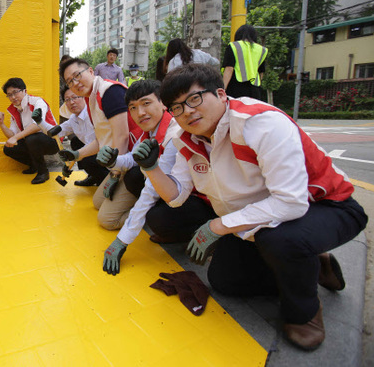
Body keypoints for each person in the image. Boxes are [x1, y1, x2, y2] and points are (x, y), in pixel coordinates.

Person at [140, 63, 368, 351]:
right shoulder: (184, 138)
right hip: (256, 220)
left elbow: (290, 201)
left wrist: (217, 226)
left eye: (194, 99)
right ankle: (312, 264)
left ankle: (305, 312)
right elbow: (177, 197)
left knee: (283, 241)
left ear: (221, 94)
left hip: (326, 206)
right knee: (225, 281)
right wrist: (151, 169)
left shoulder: (258, 122)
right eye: (176, 107)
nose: (187, 112)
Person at [100, 79, 215, 275]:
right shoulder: (150, 132)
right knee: (134, 176)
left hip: (202, 200)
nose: (140, 113)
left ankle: (196, 229)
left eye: (146, 103)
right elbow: (132, 159)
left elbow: (150, 192)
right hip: (177, 190)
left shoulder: (173, 135)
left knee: (157, 218)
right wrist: (113, 161)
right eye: (133, 108)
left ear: (163, 103)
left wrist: (122, 240)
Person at [59, 59, 141, 228]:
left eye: (77, 75)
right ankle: (133, 200)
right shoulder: (92, 99)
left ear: (90, 71)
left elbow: (122, 136)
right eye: (69, 81)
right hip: (121, 159)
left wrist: (116, 174)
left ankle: (148, 210)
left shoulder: (109, 92)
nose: (75, 83)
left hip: (136, 161)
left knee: (107, 220)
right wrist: (77, 155)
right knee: (97, 201)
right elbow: (101, 139)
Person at [0, 78, 58, 184]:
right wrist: (1, 123)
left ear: (24, 90)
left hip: (52, 140)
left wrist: (16, 137)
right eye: (9, 95)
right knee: (8, 148)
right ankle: (34, 165)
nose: (13, 97)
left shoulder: (38, 102)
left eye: (15, 92)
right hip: (33, 141)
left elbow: (38, 125)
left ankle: (43, 172)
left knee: (31, 138)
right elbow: (12, 135)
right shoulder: (14, 110)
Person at [47, 87, 108, 186]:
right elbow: (57, 131)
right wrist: (40, 122)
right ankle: (93, 176)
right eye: (67, 100)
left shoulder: (95, 113)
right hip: (92, 150)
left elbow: (99, 142)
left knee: (86, 159)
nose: (71, 102)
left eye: (75, 97)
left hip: (106, 152)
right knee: (75, 142)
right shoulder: (73, 118)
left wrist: (76, 156)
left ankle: (105, 180)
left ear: (83, 97)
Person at [222, 24, 268, 99]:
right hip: (254, 90)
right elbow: (261, 72)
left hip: (235, 89)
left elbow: (229, 69)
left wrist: (223, 89)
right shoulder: (262, 50)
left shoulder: (234, 46)